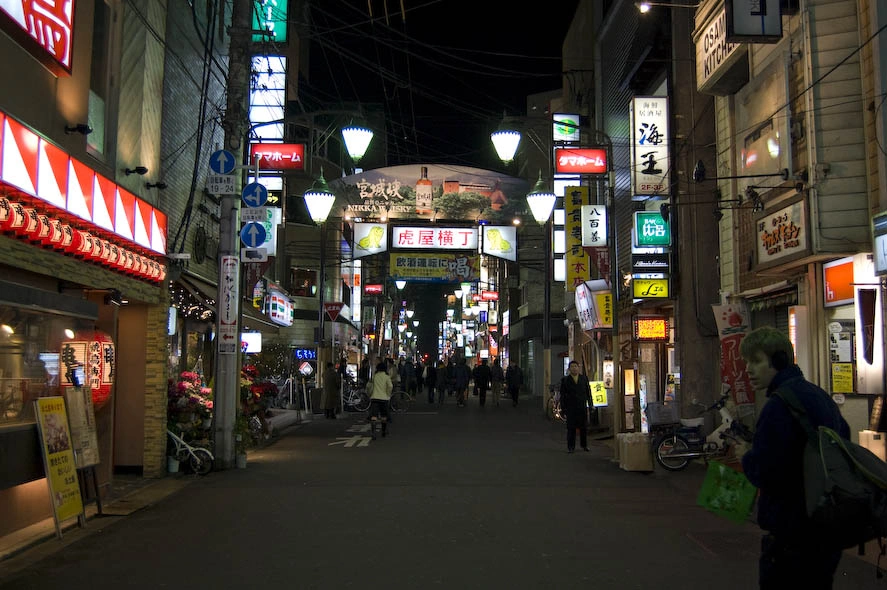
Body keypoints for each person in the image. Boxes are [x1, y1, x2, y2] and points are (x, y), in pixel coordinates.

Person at [738, 326, 850, 589]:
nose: (748, 370)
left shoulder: (779, 405)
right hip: (826, 523)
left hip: (791, 530)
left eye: (756, 361)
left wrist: (746, 456)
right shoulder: (819, 396)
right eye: (747, 362)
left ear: (778, 361)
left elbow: (765, 471)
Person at [559, 360, 590, 453]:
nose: (574, 368)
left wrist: (591, 404)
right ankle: (571, 447)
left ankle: (584, 445)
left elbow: (588, 393)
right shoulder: (565, 380)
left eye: (575, 366)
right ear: (569, 369)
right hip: (570, 407)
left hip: (582, 406)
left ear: (578, 368)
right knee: (571, 428)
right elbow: (562, 395)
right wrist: (563, 409)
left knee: (583, 427)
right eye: (572, 366)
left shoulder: (584, 378)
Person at [368, 361, 393, 437]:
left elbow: (369, 386)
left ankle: (373, 432)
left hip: (375, 398)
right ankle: (383, 432)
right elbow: (390, 386)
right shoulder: (386, 377)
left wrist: (370, 393)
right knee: (384, 415)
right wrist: (388, 394)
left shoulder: (374, 376)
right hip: (384, 399)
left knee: (374, 416)